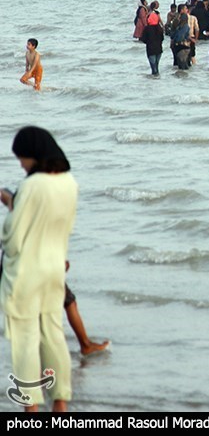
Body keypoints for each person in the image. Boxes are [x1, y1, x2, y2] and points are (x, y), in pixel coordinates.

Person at [0, 127, 76, 412]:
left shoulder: (32, 186)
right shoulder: (69, 183)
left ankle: (31, 408)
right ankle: (60, 404)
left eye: (22, 158)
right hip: (54, 269)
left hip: (26, 274)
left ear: (34, 155)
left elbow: (13, 237)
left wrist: (11, 205)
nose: (21, 163)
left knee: (25, 341)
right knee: (53, 335)